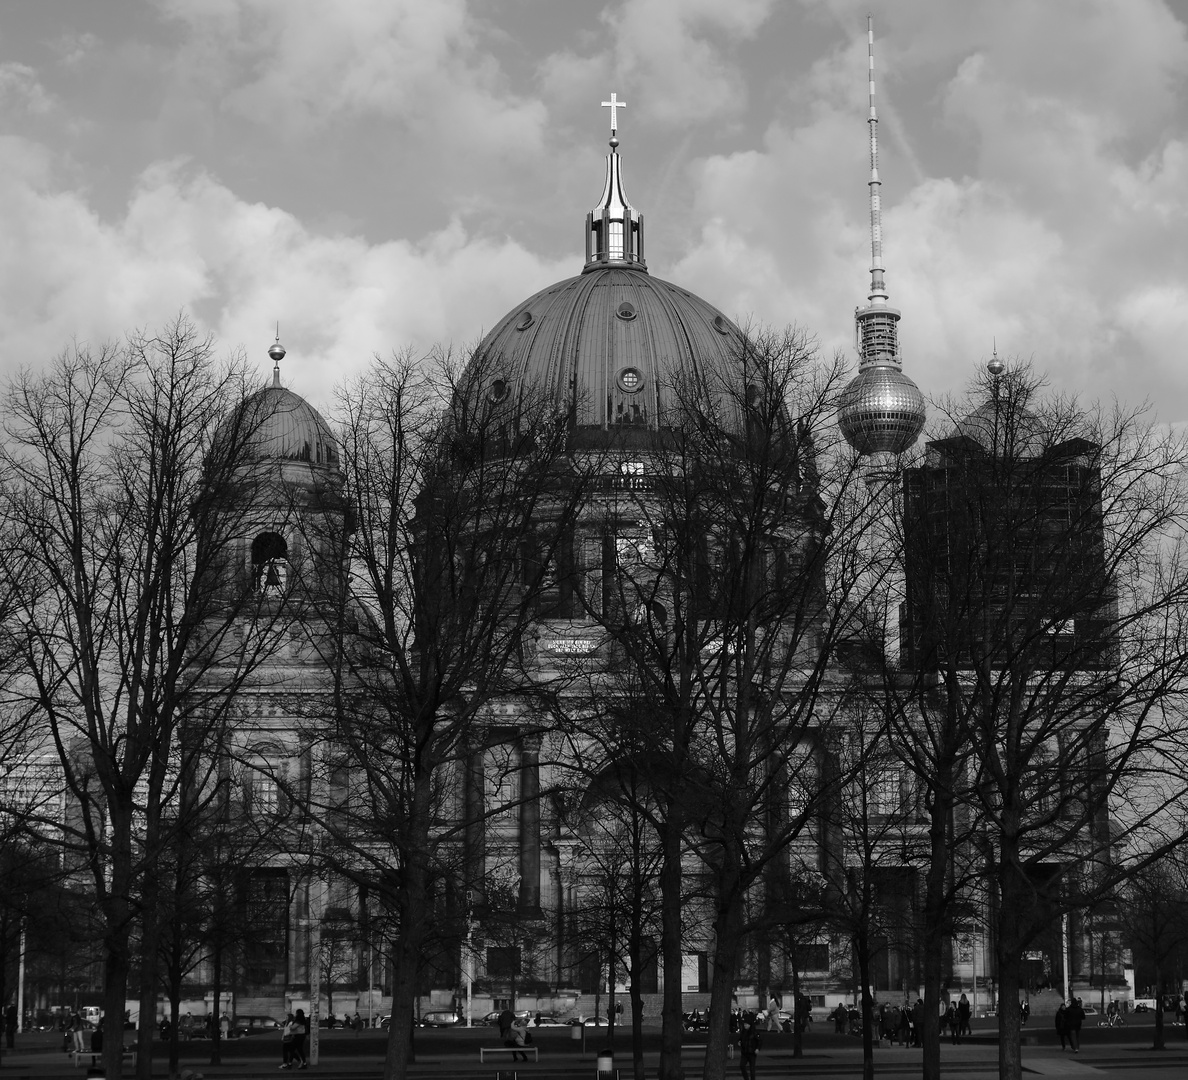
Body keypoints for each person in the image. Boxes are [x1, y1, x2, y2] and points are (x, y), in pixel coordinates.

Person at [737, 1011, 761, 1080]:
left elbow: (759, 1041)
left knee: (752, 1069)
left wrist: (757, 1049)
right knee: (742, 1066)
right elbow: (741, 1038)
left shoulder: (754, 1032)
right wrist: (739, 1041)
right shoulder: (743, 1032)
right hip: (745, 1052)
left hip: (752, 1053)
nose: (745, 1026)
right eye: (745, 1024)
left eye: (746, 1024)